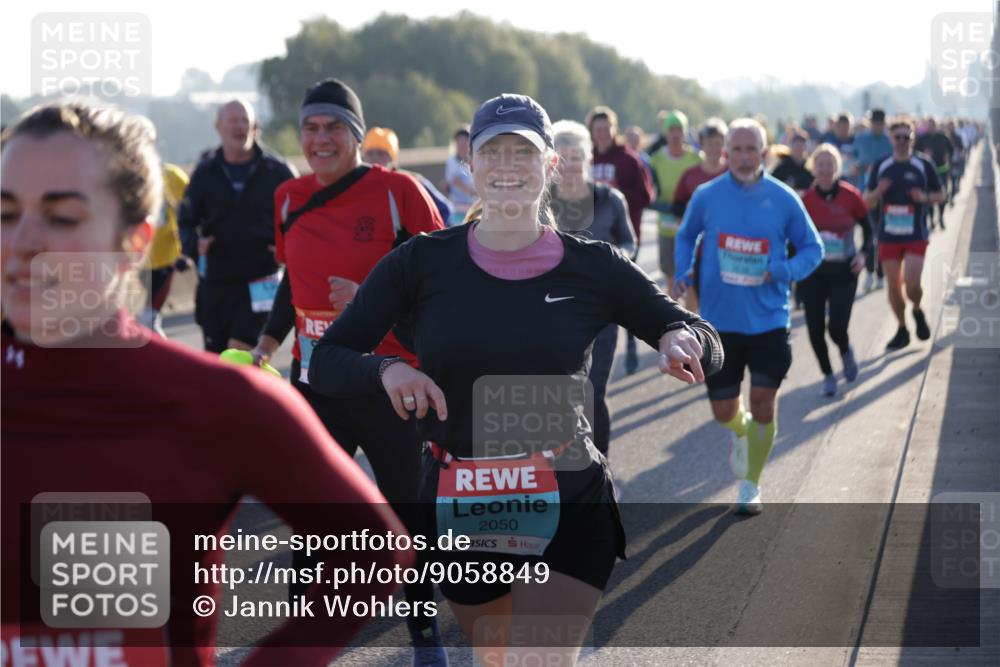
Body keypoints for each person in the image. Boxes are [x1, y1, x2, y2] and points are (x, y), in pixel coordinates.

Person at [308, 93, 723, 666]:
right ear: (470, 167)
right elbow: (327, 359)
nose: (507, 165)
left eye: (523, 152)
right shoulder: (420, 262)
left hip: (569, 496)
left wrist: (684, 339)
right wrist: (388, 369)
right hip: (466, 504)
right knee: (496, 658)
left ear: (550, 165)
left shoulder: (594, 265)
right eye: (492, 152)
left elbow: (697, 330)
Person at [1, 101, 412, 667]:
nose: (21, 242)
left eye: (62, 215)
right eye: (4, 213)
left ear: (136, 242)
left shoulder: (218, 401)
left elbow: (373, 554)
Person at [248, 79, 448, 666]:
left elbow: (440, 284)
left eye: (335, 127)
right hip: (315, 382)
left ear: (357, 135)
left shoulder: (399, 192)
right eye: (311, 127)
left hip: (391, 381)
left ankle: (422, 629)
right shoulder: (288, 196)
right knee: (309, 510)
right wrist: (266, 340)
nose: (321, 138)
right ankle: (303, 639)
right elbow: (294, 279)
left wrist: (369, 300)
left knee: (406, 507)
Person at [674, 118, 823, 514]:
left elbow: (813, 248)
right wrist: (682, 270)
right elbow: (686, 235)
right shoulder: (708, 196)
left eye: (750, 149)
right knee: (725, 411)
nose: (743, 157)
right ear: (726, 153)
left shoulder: (784, 197)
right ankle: (740, 434)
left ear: (764, 152)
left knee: (763, 403)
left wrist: (785, 270)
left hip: (769, 320)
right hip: (720, 322)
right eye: (735, 150)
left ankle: (750, 484)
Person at [178, 98, 296, 353]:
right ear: (218, 126)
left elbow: (301, 219)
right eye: (233, 120)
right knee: (215, 362)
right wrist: (193, 244)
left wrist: (286, 248)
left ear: (255, 127)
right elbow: (186, 220)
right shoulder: (205, 171)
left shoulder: (278, 171)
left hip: (261, 280)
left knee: (240, 355)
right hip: (216, 283)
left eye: (245, 120)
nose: (240, 126)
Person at [549, 119, 636, 458]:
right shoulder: (542, 203)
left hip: (601, 311)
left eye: (577, 156)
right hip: (552, 311)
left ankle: (600, 467)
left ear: (588, 158)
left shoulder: (610, 200)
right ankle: (564, 467)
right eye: (562, 157)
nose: (570, 165)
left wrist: (615, 261)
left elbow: (629, 242)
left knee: (593, 391)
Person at [864, 115, 945, 350]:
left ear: (912, 138)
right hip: (888, 234)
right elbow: (866, 202)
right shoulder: (881, 166)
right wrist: (878, 192)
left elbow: (941, 195)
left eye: (906, 137)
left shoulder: (923, 164)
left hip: (915, 234)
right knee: (892, 286)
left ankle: (917, 310)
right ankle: (902, 328)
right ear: (891, 138)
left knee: (911, 284)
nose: (902, 141)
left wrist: (925, 198)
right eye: (897, 137)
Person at [586, 105, 655, 374]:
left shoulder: (628, 159)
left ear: (614, 130)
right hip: (591, 239)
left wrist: (615, 197)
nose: (602, 134)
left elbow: (646, 196)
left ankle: (629, 344)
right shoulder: (584, 158)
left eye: (607, 128)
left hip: (623, 238)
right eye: (597, 129)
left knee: (624, 296)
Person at [800, 144, 872, 396]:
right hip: (813, 274)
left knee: (837, 327)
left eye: (830, 164)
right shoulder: (805, 200)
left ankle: (845, 350)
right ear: (813, 168)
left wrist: (863, 255)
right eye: (821, 164)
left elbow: (869, 230)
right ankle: (828, 375)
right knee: (815, 328)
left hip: (844, 271)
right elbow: (793, 237)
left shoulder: (851, 195)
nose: (825, 169)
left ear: (837, 167)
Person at [672, 118, 729, 313]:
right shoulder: (690, 175)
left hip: (728, 249)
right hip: (698, 249)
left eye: (718, 143)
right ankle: (696, 337)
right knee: (693, 299)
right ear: (702, 145)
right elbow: (677, 206)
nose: (714, 148)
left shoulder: (733, 172)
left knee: (723, 302)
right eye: (709, 143)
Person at [649, 109, 702, 298]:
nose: (675, 134)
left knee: (694, 278)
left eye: (679, 129)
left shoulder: (696, 158)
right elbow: (649, 195)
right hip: (666, 226)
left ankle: (695, 323)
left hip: (693, 226)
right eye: (671, 129)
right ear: (665, 132)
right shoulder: (655, 160)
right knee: (671, 278)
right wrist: (667, 207)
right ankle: (674, 319)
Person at [138, 163, 189, 336]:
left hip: (166, 257)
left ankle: (161, 360)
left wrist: (186, 242)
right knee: (142, 321)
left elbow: (193, 206)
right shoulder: (121, 175)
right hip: (134, 262)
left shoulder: (171, 175)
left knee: (148, 319)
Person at [362, 126, 454, 222]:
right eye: (370, 153)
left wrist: (430, 235)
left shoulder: (413, 181)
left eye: (381, 153)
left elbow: (445, 209)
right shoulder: (360, 185)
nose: (375, 158)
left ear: (391, 157)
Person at [853, 109, 892, 292]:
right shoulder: (861, 139)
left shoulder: (889, 141)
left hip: (886, 196)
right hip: (865, 194)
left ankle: (881, 274)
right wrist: (858, 166)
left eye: (880, 123)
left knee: (882, 235)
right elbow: (851, 163)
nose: (878, 126)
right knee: (869, 234)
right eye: (875, 123)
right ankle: (869, 272)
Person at [913, 116, 953, 230]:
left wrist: (947, 156)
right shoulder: (922, 138)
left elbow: (952, 149)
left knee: (943, 195)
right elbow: (914, 152)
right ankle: (931, 220)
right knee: (929, 197)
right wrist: (923, 153)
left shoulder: (943, 136)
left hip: (942, 170)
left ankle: (941, 216)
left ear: (936, 125)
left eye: (933, 125)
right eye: (929, 125)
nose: (931, 127)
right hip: (927, 172)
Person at [445, 126, 476, 226]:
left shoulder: (475, 161)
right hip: (456, 209)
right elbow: (452, 182)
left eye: (465, 140)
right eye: (459, 141)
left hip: (472, 209)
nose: (462, 144)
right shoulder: (451, 161)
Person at [769, 130, 813, 195]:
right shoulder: (782, 167)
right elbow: (772, 184)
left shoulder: (809, 169)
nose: (799, 149)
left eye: (801, 146)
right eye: (796, 146)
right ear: (791, 147)